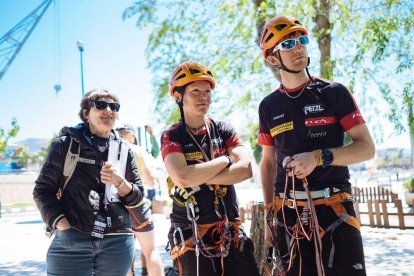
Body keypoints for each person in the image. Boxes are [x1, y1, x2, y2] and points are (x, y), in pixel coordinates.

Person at [258, 16, 375, 275]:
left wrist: (319, 157)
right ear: (273, 58)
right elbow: (267, 164)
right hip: (289, 217)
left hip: (337, 210)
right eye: (287, 45)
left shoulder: (334, 92)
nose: (298, 48)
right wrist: (268, 217)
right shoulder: (268, 106)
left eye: (301, 40)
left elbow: (367, 148)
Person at [161, 61, 260, 276]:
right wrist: (224, 160)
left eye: (207, 91)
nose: (203, 97)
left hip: (229, 230)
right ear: (178, 96)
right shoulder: (172, 135)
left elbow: (245, 169)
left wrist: (198, 175)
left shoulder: (223, 129)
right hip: (191, 234)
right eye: (195, 91)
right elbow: (182, 177)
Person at [33, 89, 144, 276]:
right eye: (101, 105)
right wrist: (62, 224)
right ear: (86, 113)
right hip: (72, 237)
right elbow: (42, 190)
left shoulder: (124, 150)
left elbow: (138, 197)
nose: (108, 110)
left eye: (114, 106)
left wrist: (121, 183)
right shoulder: (65, 145)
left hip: (117, 242)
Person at [116, 123, 164, 276]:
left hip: (116, 207)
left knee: (125, 253)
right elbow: (149, 181)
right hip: (137, 204)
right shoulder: (138, 150)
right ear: (131, 135)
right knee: (150, 251)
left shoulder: (110, 150)